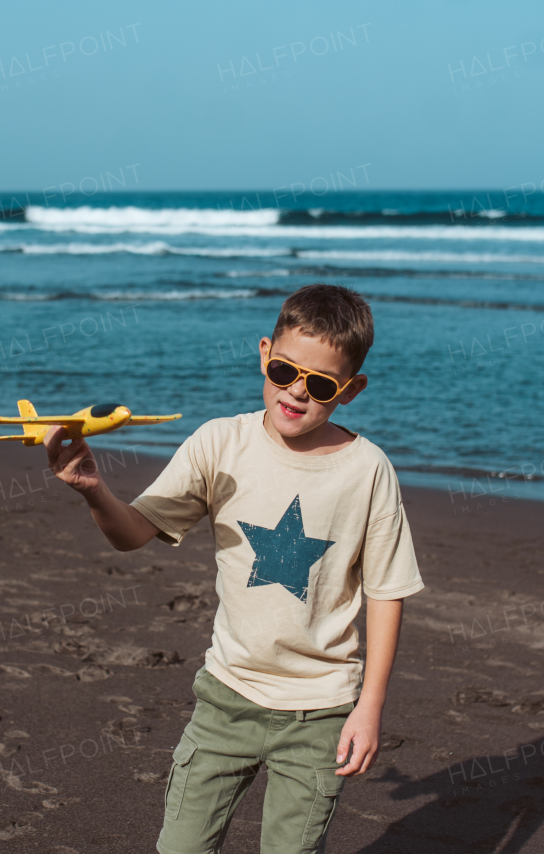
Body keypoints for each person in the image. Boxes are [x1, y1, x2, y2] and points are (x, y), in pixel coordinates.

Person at [43, 284, 423, 854]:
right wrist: (94, 490)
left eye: (319, 385)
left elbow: (388, 593)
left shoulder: (368, 470)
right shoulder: (219, 443)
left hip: (319, 713)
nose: (296, 391)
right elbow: (133, 533)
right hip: (226, 697)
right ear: (265, 352)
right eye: (285, 371)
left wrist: (369, 709)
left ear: (350, 390)